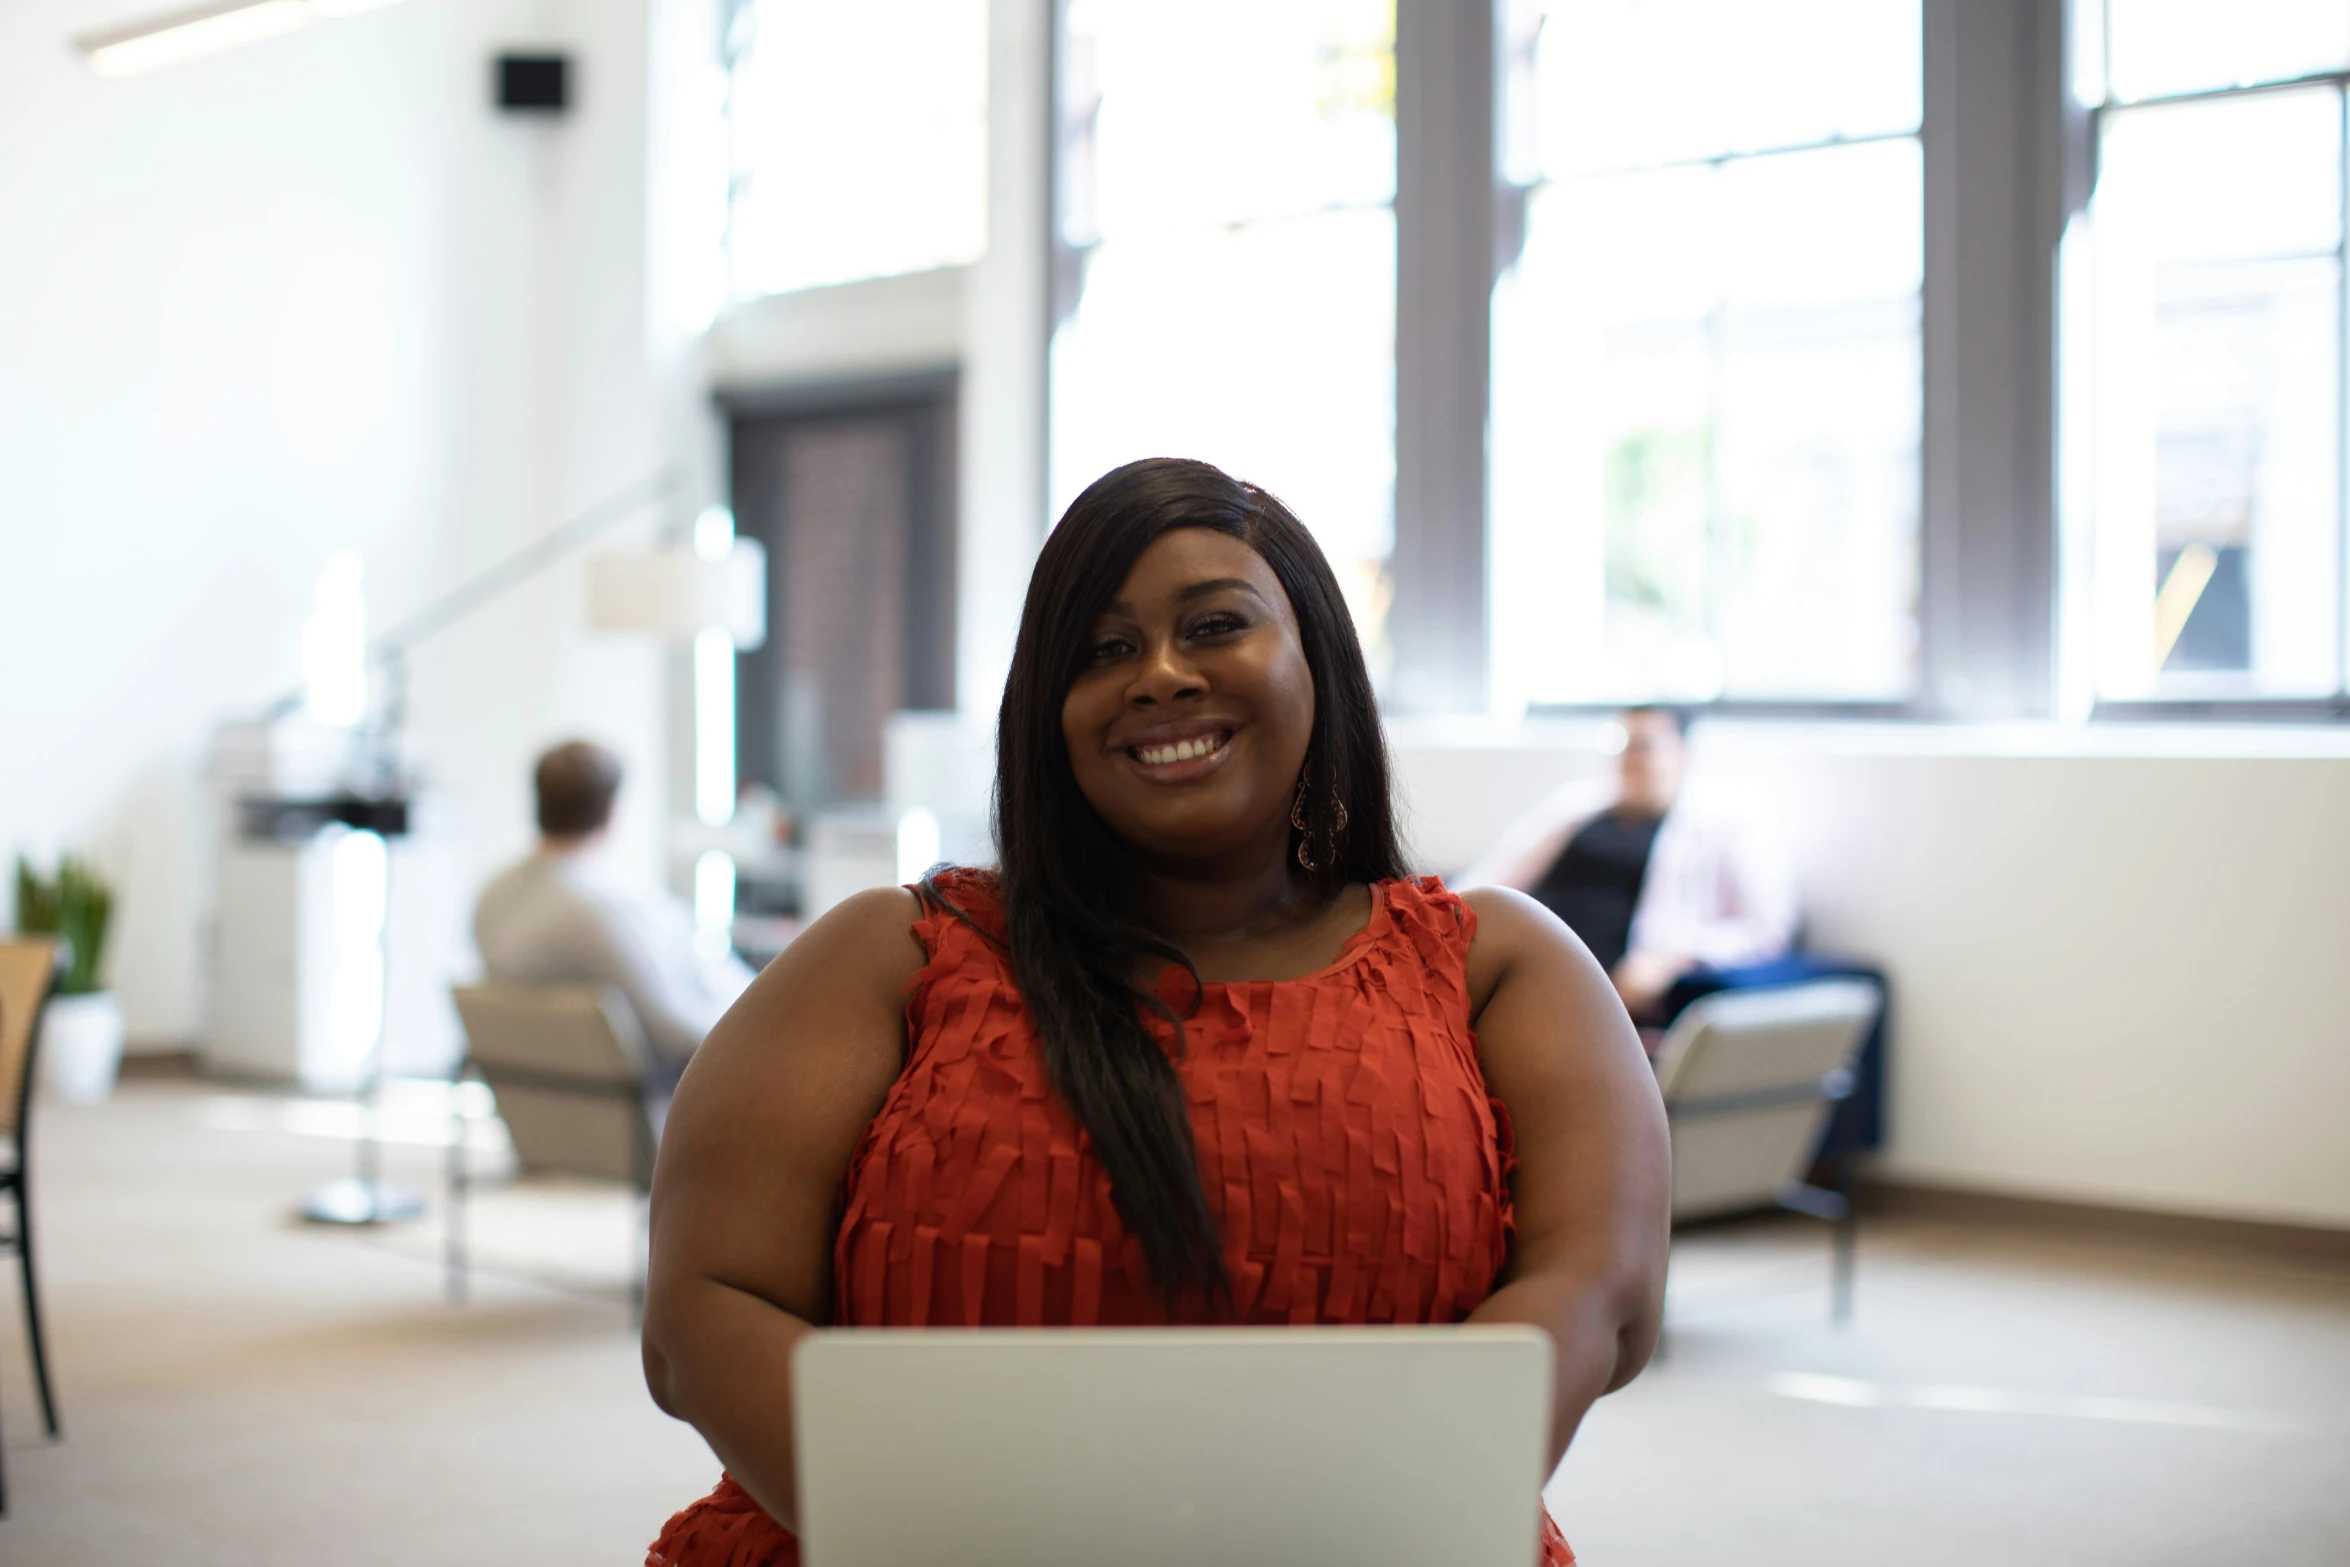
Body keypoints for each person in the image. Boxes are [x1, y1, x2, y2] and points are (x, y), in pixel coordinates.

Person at [638, 459, 1669, 1566]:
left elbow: (1598, 1288)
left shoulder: (1495, 967)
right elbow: (705, 1308)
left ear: (1316, 653)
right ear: (1048, 708)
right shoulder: (888, 957)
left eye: (1213, 625)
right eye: (1104, 649)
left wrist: (1390, 1502)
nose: (1162, 676)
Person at [1456, 707, 1797, 1026]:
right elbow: (1491, 879)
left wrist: (1669, 960)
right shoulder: (1576, 810)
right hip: (1513, 964)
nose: (1629, 760)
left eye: (1644, 746)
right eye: (1621, 746)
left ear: (1681, 753)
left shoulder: (1723, 824)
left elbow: (1765, 931)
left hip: (1596, 993)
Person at [473, 740, 754, 1071]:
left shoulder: (492, 894)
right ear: (610, 813)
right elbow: (671, 1029)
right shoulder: (606, 913)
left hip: (547, 1093)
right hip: (661, 1094)